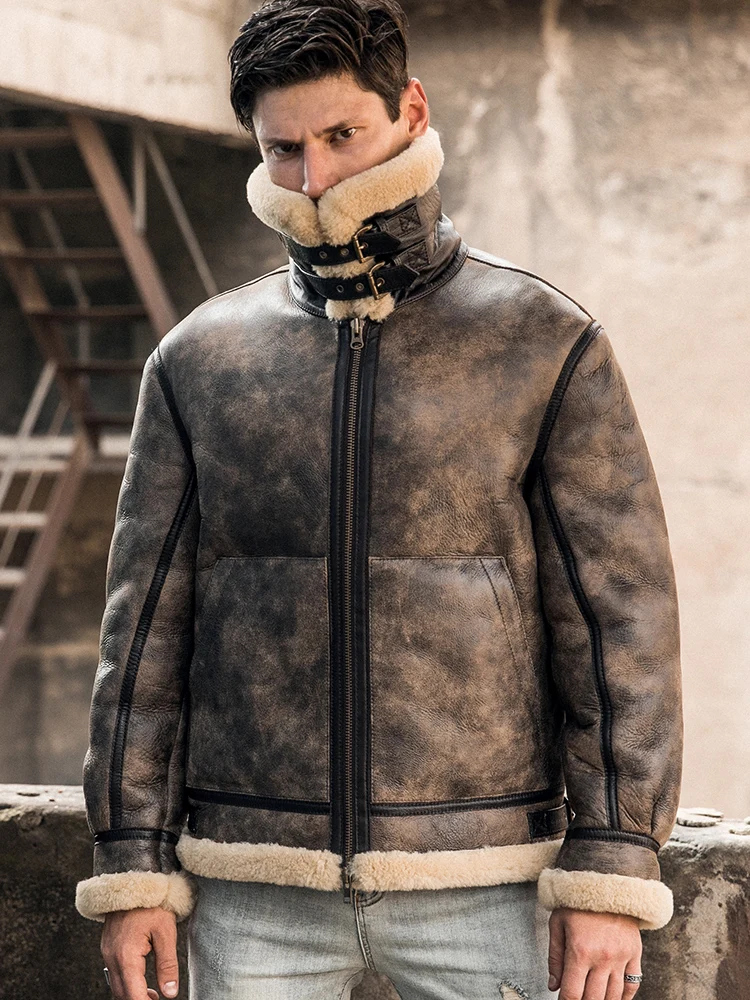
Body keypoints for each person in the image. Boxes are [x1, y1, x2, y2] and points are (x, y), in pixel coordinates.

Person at [74, 2, 683, 999]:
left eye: (342, 135)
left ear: (411, 111)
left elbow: (621, 626)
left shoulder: (544, 342)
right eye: (284, 150)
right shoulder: (198, 362)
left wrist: (615, 861)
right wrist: (130, 859)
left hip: (487, 879)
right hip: (251, 885)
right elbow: (141, 637)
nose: (315, 178)